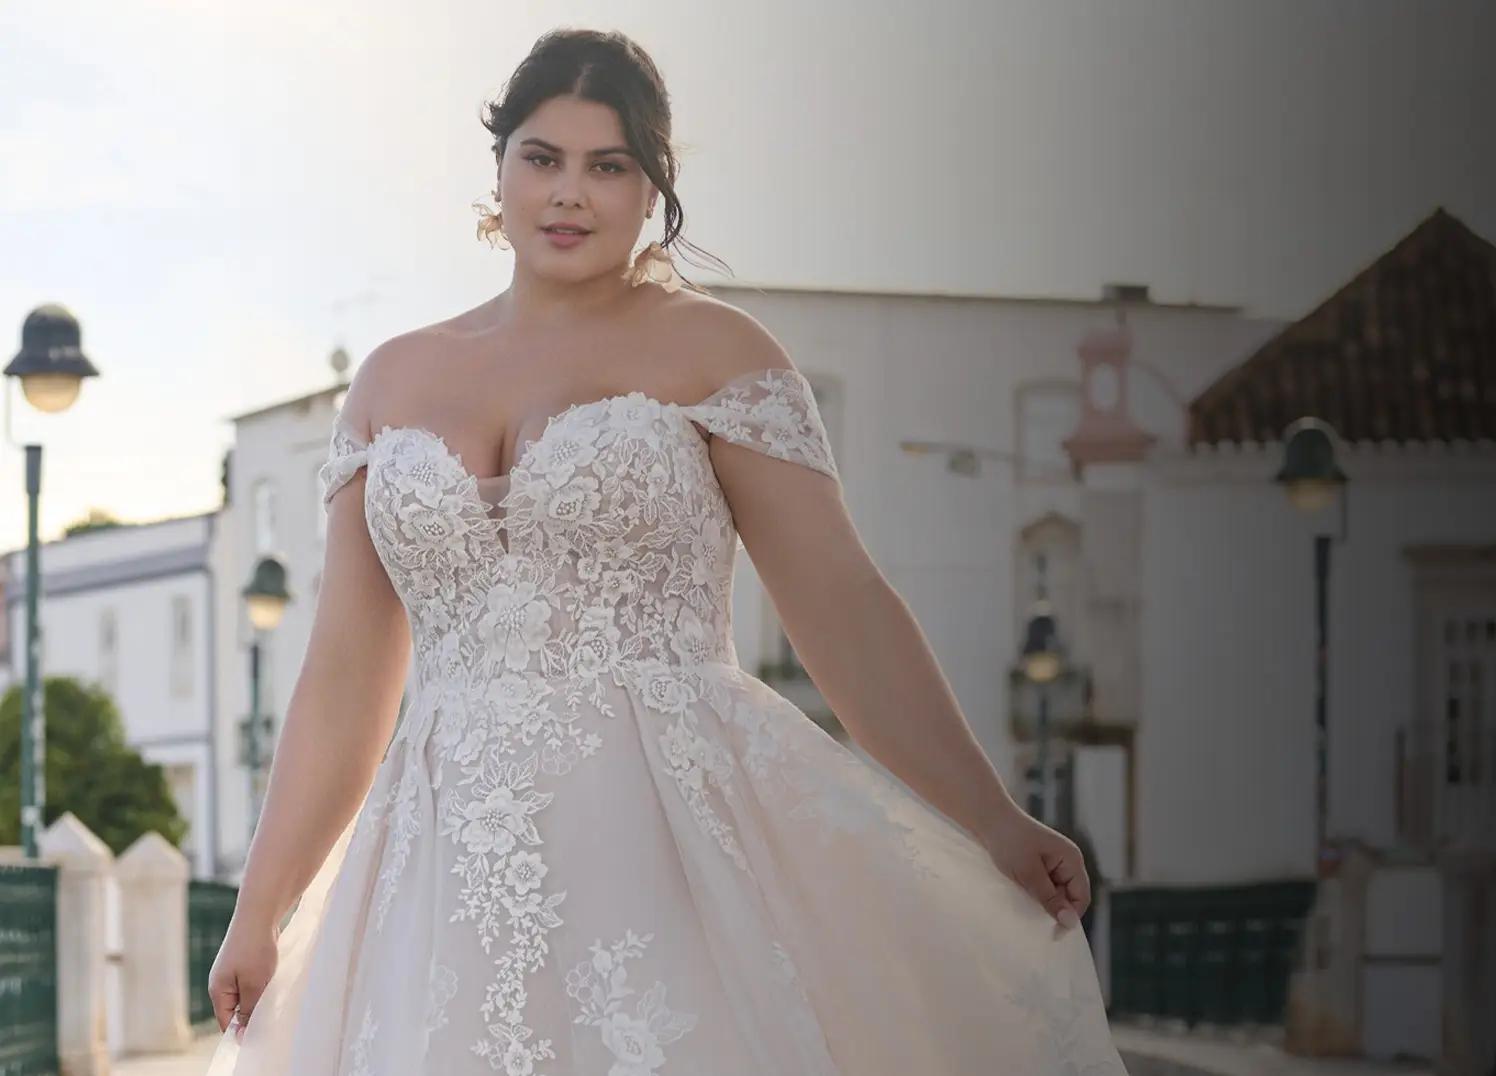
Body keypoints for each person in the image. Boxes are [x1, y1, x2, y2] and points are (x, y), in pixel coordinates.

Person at [205, 27, 1127, 1074]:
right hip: (439, 864)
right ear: (497, 172)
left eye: (609, 166)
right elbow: (342, 681)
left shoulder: (718, 353)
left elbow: (844, 607)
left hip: (664, 839)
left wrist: (994, 819)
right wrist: (261, 904)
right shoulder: (390, 382)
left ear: (652, 190)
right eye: (541, 158)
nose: (568, 194)